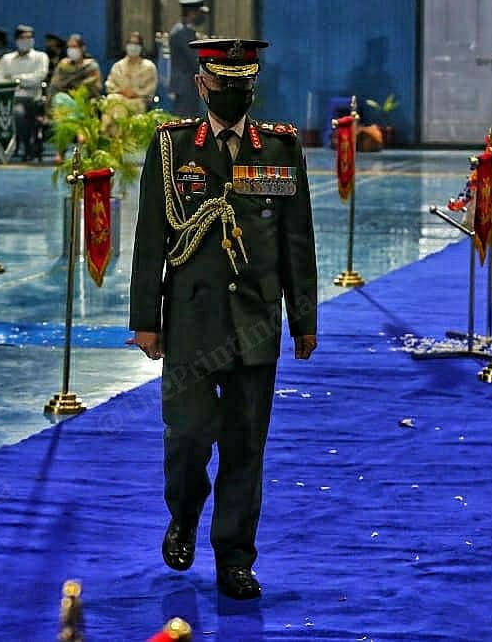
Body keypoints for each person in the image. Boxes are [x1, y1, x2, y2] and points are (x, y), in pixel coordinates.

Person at [130, 37, 318, 601]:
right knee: (188, 436)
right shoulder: (172, 148)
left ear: (252, 87)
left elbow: (296, 242)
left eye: (243, 86)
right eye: (223, 85)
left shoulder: (281, 149)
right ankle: (184, 515)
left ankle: (234, 557)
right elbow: (149, 241)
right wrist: (146, 317)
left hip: (256, 324)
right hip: (190, 322)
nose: (233, 95)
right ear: (202, 85)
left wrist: (303, 319)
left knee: (245, 445)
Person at [0, 24, 50, 161]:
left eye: (29, 37)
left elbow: (39, 77)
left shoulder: (40, 57)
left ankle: (26, 146)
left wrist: (15, 79)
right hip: (9, 97)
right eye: (22, 37)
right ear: (16, 40)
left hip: (32, 99)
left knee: (18, 112)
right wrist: (23, 80)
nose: (26, 40)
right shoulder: (6, 59)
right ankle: (0, 148)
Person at [103, 31, 159, 127]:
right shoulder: (118, 66)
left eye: (136, 44)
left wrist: (136, 93)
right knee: (112, 101)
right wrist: (121, 91)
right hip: (119, 97)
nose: (133, 47)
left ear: (141, 47)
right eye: (130, 43)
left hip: (138, 100)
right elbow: (109, 85)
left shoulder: (148, 67)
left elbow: (151, 89)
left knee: (120, 109)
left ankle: (119, 136)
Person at [167, 0, 208, 117]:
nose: (202, 17)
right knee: (186, 121)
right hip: (185, 86)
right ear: (192, 13)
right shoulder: (182, 33)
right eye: (200, 13)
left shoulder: (185, 31)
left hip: (187, 85)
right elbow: (195, 58)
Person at [48, 33, 102, 107]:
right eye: (69, 47)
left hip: (85, 104)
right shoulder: (63, 65)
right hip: (62, 104)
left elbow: (97, 88)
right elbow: (55, 85)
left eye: (74, 47)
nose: (71, 50)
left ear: (83, 48)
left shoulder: (91, 66)